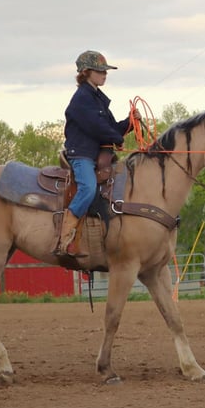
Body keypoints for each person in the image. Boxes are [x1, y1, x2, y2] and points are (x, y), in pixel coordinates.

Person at [53, 50, 140, 258]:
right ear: (86, 72)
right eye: (100, 70)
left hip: (95, 154)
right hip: (81, 154)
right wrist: (117, 138)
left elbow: (109, 127)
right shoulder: (82, 99)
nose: (104, 74)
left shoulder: (97, 99)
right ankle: (65, 239)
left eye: (105, 70)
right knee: (88, 187)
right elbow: (97, 128)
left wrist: (129, 122)